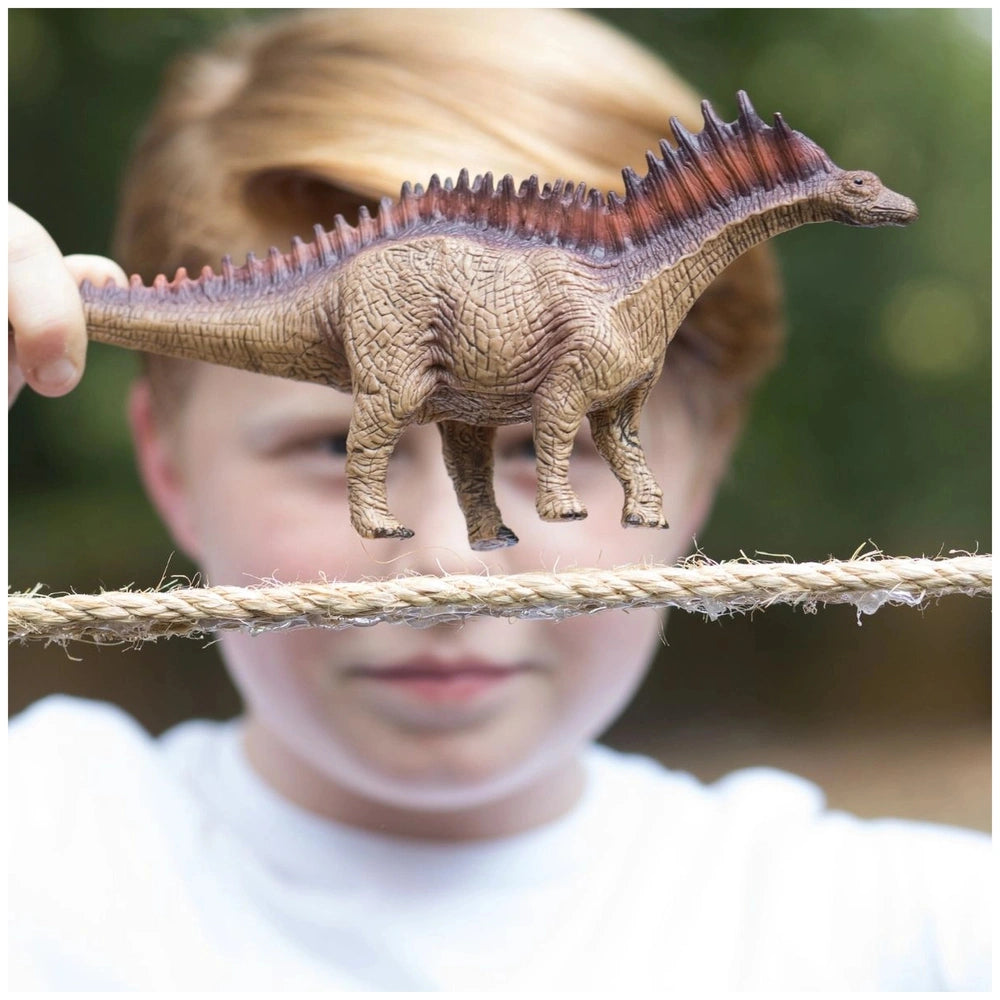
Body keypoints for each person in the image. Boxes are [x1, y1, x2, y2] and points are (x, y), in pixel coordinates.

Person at [8, 9, 989, 991]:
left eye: (542, 454)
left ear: (702, 470)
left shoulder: (897, 921)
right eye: (325, 445)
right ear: (168, 466)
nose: (448, 565)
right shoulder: (42, 839)